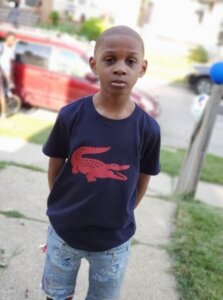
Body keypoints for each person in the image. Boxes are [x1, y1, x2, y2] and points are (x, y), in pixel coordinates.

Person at [41, 25, 161, 300]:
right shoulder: (70, 116)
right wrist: (63, 206)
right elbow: (56, 168)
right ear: (94, 65)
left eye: (130, 61)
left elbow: (141, 180)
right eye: (110, 60)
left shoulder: (149, 130)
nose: (120, 68)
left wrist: (123, 212)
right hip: (64, 233)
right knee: (56, 295)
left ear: (142, 68)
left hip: (113, 243)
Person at [0, 32, 16, 118]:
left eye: (14, 40)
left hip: (6, 75)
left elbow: (11, 64)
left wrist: (11, 79)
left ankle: (3, 113)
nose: (13, 41)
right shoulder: (1, 46)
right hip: (1, 73)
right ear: (7, 39)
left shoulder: (11, 50)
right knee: (1, 94)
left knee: (3, 93)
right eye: (12, 39)